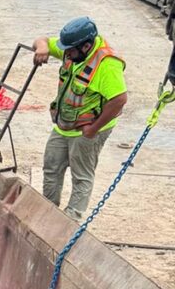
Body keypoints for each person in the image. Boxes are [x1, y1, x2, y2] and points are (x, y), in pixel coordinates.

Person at [32, 17, 127, 220]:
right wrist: (41, 47)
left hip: (88, 129)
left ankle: (71, 220)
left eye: (71, 50)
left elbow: (119, 99)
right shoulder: (72, 50)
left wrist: (93, 129)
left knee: (81, 175)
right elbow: (42, 40)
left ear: (86, 46)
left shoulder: (107, 65)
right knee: (51, 166)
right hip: (64, 126)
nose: (66, 53)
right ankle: (48, 213)